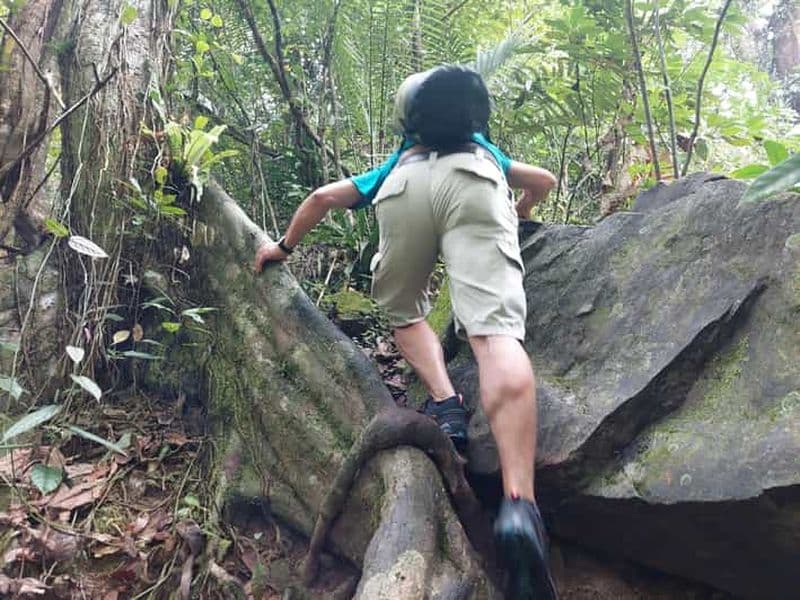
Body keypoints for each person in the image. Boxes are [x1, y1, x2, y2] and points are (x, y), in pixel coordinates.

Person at [254, 65, 558, 599]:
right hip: (477, 183)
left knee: (403, 312)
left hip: (404, 190)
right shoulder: (487, 150)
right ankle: (519, 506)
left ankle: (444, 401)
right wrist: (521, 209)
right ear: (473, 117)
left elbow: (323, 198)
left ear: (407, 120)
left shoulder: (399, 158)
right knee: (493, 336)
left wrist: (282, 247)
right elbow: (544, 182)